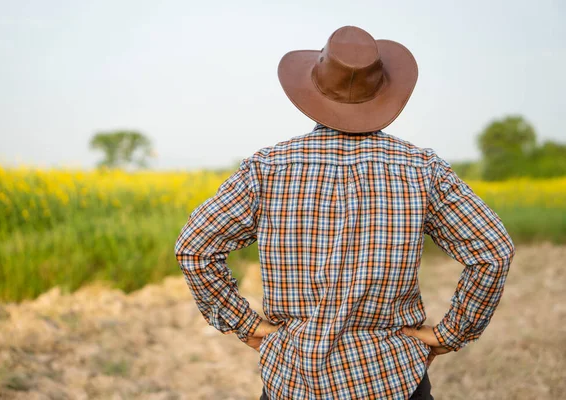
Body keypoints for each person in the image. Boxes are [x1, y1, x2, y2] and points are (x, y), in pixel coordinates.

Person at [175, 25, 516, 400]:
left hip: (295, 379)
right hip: (394, 378)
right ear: (383, 92)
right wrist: (450, 335)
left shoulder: (267, 168)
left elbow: (195, 247)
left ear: (312, 89)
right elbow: (493, 252)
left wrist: (244, 324)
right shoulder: (422, 169)